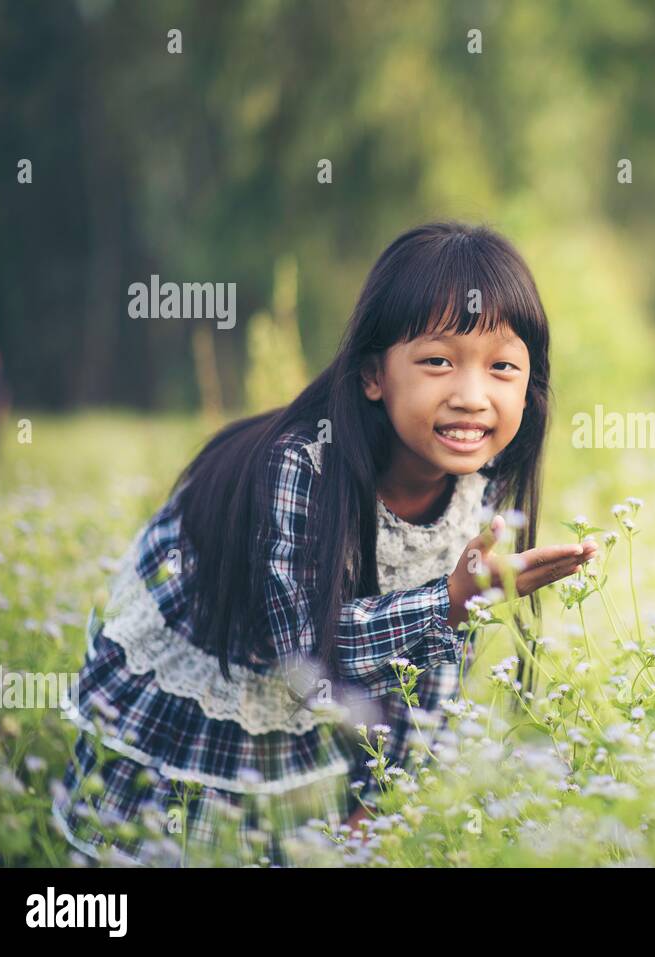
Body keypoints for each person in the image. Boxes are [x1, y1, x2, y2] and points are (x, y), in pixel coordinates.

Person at [51, 221, 597, 866]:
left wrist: (382, 795)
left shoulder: (486, 485)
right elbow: (306, 659)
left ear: (529, 389)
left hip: (330, 673)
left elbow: (437, 665)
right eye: (438, 362)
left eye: (502, 367)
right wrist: (451, 599)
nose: (472, 397)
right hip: (217, 655)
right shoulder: (300, 470)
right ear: (373, 375)